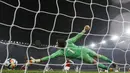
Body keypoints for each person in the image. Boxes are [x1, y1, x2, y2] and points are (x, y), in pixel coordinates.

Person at [23, 25, 118, 71]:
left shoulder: (61, 50)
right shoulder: (64, 46)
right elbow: (77, 36)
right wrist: (84, 30)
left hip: (83, 53)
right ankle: (110, 64)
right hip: (84, 50)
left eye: (57, 43)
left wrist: (37, 60)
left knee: (96, 62)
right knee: (98, 56)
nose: (58, 44)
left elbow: (49, 57)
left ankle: (106, 68)